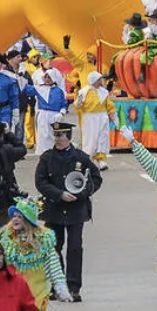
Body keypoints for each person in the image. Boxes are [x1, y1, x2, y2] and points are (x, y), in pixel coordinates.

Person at [35, 120, 102, 301]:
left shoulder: (80, 157)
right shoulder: (47, 158)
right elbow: (40, 182)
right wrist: (59, 194)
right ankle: (56, 285)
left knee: (74, 249)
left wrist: (80, 194)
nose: (57, 138)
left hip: (75, 210)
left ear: (68, 137)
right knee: (53, 248)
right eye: (55, 135)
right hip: (54, 208)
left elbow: (95, 179)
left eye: (60, 135)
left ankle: (73, 287)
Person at [75, 71, 115, 167]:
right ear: (93, 81)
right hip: (89, 118)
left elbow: (109, 105)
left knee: (103, 138)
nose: (101, 82)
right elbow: (77, 106)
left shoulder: (104, 92)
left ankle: (102, 160)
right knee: (90, 139)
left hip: (102, 117)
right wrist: (78, 103)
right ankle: (88, 159)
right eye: (98, 80)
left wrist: (112, 114)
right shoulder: (84, 92)